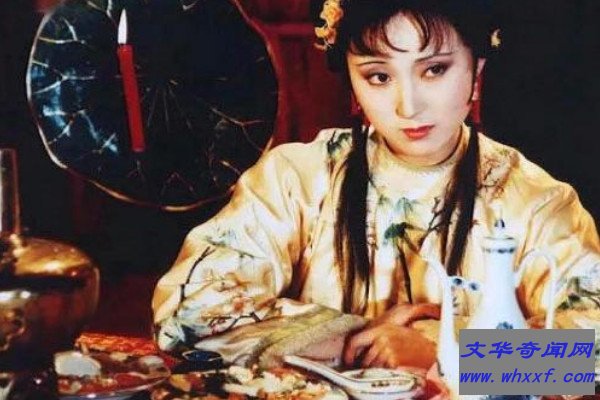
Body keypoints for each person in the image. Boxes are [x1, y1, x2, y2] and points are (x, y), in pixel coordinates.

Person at [152, 0, 600, 370]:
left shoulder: (535, 201)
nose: (408, 106)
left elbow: (589, 350)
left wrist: (445, 350)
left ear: (476, 67)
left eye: (434, 70)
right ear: (352, 79)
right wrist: (361, 338)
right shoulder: (297, 180)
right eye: (379, 76)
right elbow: (187, 311)